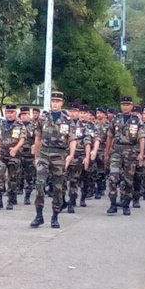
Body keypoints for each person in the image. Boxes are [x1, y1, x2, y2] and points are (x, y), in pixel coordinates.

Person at [30, 91, 76, 229]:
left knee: (58, 188)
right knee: (39, 185)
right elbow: (38, 139)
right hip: (44, 154)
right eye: (53, 101)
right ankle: (39, 216)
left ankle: (55, 216)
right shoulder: (44, 118)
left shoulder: (67, 121)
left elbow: (72, 139)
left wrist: (71, 154)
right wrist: (36, 157)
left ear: (61, 103)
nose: (55, 104)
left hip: (59, 155)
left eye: (57, 101)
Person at [105, 96, 145, 216]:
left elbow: (142, 137)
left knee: (128, 180)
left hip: (131, 152)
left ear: (131, 106)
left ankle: (126, 204)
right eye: (123, 104)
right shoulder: (115, 119)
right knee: (113, 176)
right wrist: (107, 153)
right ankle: (113, 203)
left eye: (127, 104)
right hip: (117, 151)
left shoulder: (137, 121)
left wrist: (141, 153)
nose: (125, 107)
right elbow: (109, 136)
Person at [0, 104, 25, 210]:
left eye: (11, 112)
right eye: (7, 112)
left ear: (15, 113)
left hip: (14, 155)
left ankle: (11, 200)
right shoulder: (1, 124)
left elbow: (22, 139)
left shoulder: (20, 125)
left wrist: (16, 148)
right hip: (2, 154)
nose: (9, 115)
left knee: (12, 178)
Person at [65, 104, 91, 213]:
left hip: (78, 155)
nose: (72, 113)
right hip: (64, 155)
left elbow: (87, 142)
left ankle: (71, 201)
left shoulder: (83, 126)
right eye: (70, 111)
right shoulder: (63, 124)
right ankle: (61, 200)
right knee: (61, 180)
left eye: (75, 111)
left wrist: (87, 156)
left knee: (74, 180)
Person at [90, 107, 110, 199]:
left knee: (101, 170)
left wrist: (108, 151)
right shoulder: (92, 124)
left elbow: (110, 138)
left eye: (101, 113)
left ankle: (100, 188)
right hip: (93, 149)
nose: (98, 115)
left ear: (105, 115)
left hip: (103, 149)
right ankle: (92, 188)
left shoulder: (108, 125)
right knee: (93, 170)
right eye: (97, 113)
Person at [19, 107, 36, 205]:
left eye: (26, 114)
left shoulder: (34, 126)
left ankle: (27, 196)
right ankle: (17, 191)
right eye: (22, 115)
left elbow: (37, 139)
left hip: (29, 154)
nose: (24, 116)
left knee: (29, 176)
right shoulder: (17, 125)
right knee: (17, 174)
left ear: (29, 115)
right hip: (19, 153)